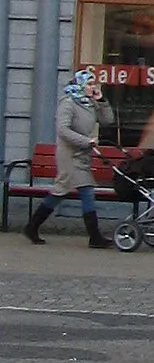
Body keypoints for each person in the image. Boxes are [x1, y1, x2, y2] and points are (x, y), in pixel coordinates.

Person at [24, 71, 112, 248]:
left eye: (94, 84)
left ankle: (33, 226)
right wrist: (86, 141)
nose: (92, 87)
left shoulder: (90, 104)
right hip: (69, 155)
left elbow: (108, 121)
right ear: (79, 85)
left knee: (68, 191)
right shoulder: (68, 104)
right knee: (74, 190)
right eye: (89, 84)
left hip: (83, 155)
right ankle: (94, 236)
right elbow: (63, 130)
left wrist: (102, 101)